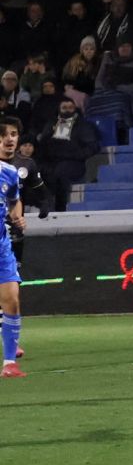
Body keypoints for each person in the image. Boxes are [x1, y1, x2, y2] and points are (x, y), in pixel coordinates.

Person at [0, 118, 28, 377]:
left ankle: (9, 363)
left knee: (12, 301)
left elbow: (13, 202)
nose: (7, 141)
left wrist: (17, 217)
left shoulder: (8, 173)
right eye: (2, 137)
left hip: (1, 247)